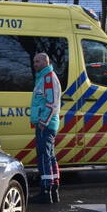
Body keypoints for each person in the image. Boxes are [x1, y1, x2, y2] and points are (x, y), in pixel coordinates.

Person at [30, 52, 61, 204]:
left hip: (46, 124)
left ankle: (45, 191)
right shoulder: (43, 77)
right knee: (49, 156)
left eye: (37, 61)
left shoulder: (48, 78)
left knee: (43, 157)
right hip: (47, 123)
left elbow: (51, 103)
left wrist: (43, 122)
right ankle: (53, 189)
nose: (34, 64)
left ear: (45, 62)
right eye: (34, 61)